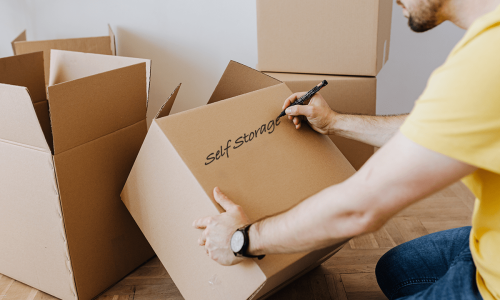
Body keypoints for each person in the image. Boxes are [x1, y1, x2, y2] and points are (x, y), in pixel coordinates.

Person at [193, 0, 500, 298]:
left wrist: (243, 239)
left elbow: (360, 208)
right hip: (490, 236)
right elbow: (434, 130)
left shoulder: (485, 62)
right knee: (396, 270)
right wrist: (333, 122)